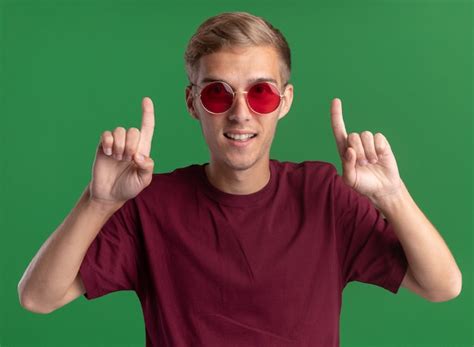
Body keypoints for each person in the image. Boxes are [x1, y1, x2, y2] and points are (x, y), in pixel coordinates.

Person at [18, 11, 461, 347]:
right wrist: (97, 202)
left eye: (261, 92)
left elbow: (442, 285)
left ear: (284, 101)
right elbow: (38, 298)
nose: (241, 112)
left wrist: (392, 195)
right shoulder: (152, 206)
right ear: (192, 104)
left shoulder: (324, 196)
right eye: (217, 92)